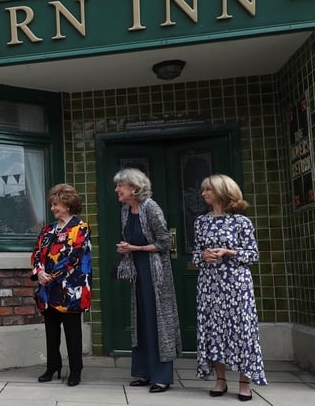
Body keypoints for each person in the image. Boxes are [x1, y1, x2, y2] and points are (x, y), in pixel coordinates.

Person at [193, 174, 266, 401]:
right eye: (203, 190)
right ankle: (220, 380)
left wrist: (228, 252)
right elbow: (195, 255)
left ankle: (245, 382)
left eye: (209, 190)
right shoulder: (201, 222)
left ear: (223, 192)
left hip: (236, 284)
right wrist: (204, 256)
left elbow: (253, 255)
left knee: (242, 330)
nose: (204, 193)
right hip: (209, 283)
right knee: (213, 329)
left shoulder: (241, 222)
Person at [113, 168, 181, 393]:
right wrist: (126, 248)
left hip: (154, 273)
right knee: (140, 321)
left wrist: (136, 248)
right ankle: (143, 372)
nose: (117, 190)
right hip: (137, 270)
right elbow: (129, 236)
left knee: (156, 320)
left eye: (120, 186)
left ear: (133, 187)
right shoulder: (125, 209)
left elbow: (164, 243)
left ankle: (162, 376)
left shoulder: (151, 208)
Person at [30, 184, 92, 387]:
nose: (53, 208)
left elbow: (74, 256)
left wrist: (52, 275)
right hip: (48, 289)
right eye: (52, 205)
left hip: (71, 289)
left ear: (67, 204)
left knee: (73, 332)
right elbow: (37, 253)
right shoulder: (47, 230)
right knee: (51, 331)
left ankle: (75, 370)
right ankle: (52, 366)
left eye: (56, 204)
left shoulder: (80, 227)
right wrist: (39, 272)